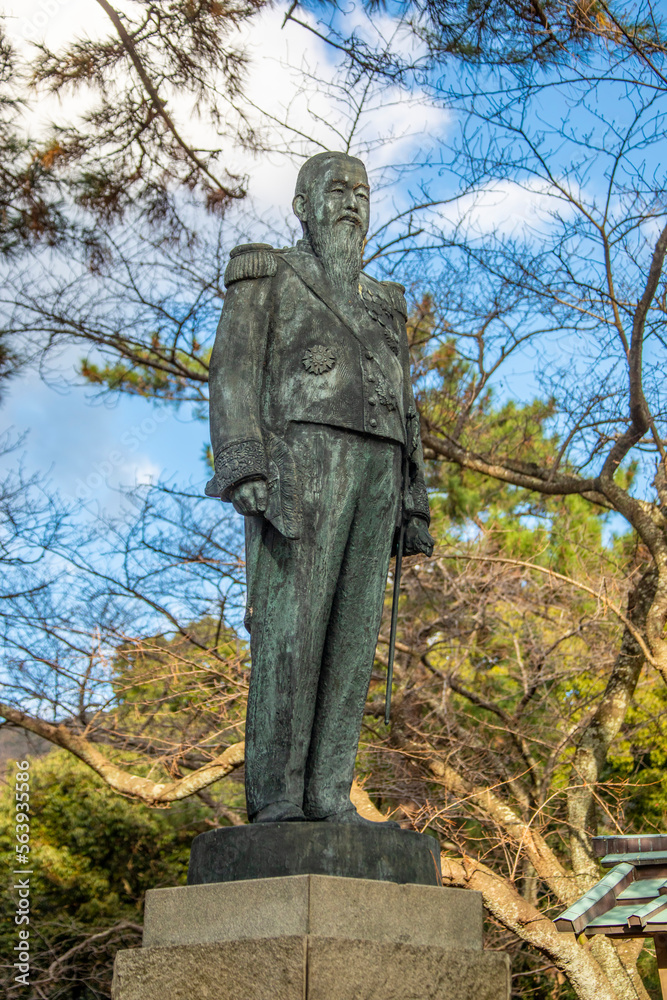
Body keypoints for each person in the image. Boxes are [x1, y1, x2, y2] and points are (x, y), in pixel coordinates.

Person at [206, 151, 434, 824]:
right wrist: (244, 461)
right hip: (301, 459)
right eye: (335, 190)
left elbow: (405, 401)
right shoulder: (268, 274)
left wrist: (413, 498)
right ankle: (277, 795)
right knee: (293, 629)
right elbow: (232, 369)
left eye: (361, 192)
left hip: (377, 469)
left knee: (352, 633)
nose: (350, 202)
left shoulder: (383, 303)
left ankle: (331, 792)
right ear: (303, 206)